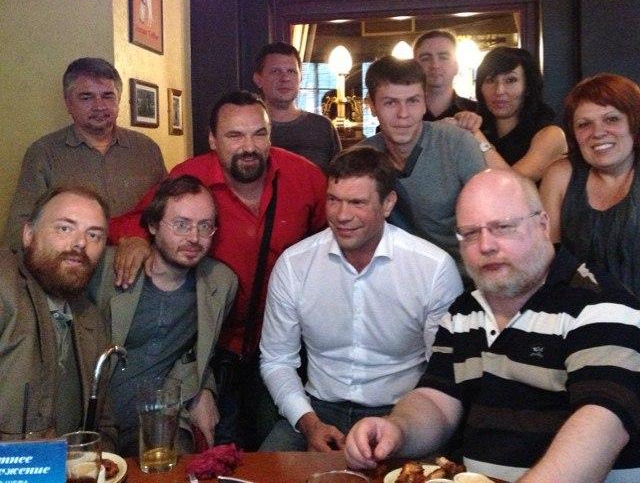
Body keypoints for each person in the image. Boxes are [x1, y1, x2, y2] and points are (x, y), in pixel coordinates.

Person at [345, 169, 640, 483]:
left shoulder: (601, 305)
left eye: (503, 227)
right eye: (471, 233)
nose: (486, 245)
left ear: (543, 224)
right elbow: (437, 401)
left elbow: (601, 424)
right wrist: (398, 429)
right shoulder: (464, 311)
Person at [109, 90, 327, 448]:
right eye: (234, 135)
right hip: (214, 345)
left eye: (259, 134)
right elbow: (138, 220)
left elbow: (329, 243)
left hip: (282, 342)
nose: (249, 147)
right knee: (219, 447)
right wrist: (135, 239)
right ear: (212, 140)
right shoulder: (189, 175)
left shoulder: (305, 177)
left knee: (273, 447)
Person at [259, 146, 462, 451]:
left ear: (388, 203)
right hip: (317, 410)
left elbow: (444, 370)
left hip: (402, 413)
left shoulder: (432, 268)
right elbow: (277, 359)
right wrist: (308, 423)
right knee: (253, 472)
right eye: (333, 200)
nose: (342, 215)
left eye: (357, 202)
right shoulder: (294, 264)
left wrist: (402, 424)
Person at [89, 175, 237, 456]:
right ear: (153, 225)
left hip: (159, 424)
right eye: (181, 224)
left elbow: (198, 352)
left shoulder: (220, 283)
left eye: (205, 226)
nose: (194, 238)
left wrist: (204, 388)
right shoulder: (106, 270)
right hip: (92, 421)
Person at [3, 57, 166, 251]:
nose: (99, 106)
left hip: (141, 263)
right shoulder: (43, 153)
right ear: (68, 103)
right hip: (72, 264)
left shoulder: (147, 149)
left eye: (107, 96)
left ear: (119, 99)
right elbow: (18, 231)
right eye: (86, 97)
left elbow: (167, 212)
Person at [0, 186, 116, 447]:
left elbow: (104, 426)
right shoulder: (4, 286)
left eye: (94, 235)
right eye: (65, 228)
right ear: (28, 234)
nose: (80, 243)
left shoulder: (91, 318)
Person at [361, 56, 486, 270]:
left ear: (424, 102)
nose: (403, 114)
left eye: (413, 101)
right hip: (393, 274)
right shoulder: (362, 157)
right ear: (371, 106)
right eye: (390, 102)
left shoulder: (457, 145)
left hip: (463, 275)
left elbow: (490, 219)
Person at [540, 73, 640, 297]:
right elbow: (545, 261)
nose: (598, 132)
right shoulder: (560, 175)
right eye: (584, 124)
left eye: (611, 119)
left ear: (634, 123)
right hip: (577, 312)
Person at [454, 47, 566, 182]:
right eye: (490, 80)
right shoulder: (481, 130)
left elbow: (513, 184)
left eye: (510, 80)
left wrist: (476, 136)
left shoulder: (550, 135)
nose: (499, 90)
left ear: (528, 87)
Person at [253, 42, 341, 171]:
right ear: (258, 79)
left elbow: (339, 177)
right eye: (276, 71)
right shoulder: (249, 128)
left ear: (300, 78)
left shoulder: (322, 127)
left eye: (291, 71)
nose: (285, 78)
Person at [412, 30, 477, 121]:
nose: (435, 65)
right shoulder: (403, 114)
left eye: (443, 57)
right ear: (415, 66)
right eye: (426, 58)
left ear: (456, 66)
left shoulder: (478, 112)